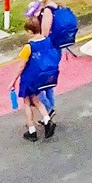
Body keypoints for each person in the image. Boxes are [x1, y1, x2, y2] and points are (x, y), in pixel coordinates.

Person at [11, 12, 63, 141]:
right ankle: (47, 120)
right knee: (37, 100)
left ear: (30, 31)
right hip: (41, 77)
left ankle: (32, 130)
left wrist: (13, 81)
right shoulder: (48, 41)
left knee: (27, 102)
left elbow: (21, 66)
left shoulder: (28, 47)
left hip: (29, 78)